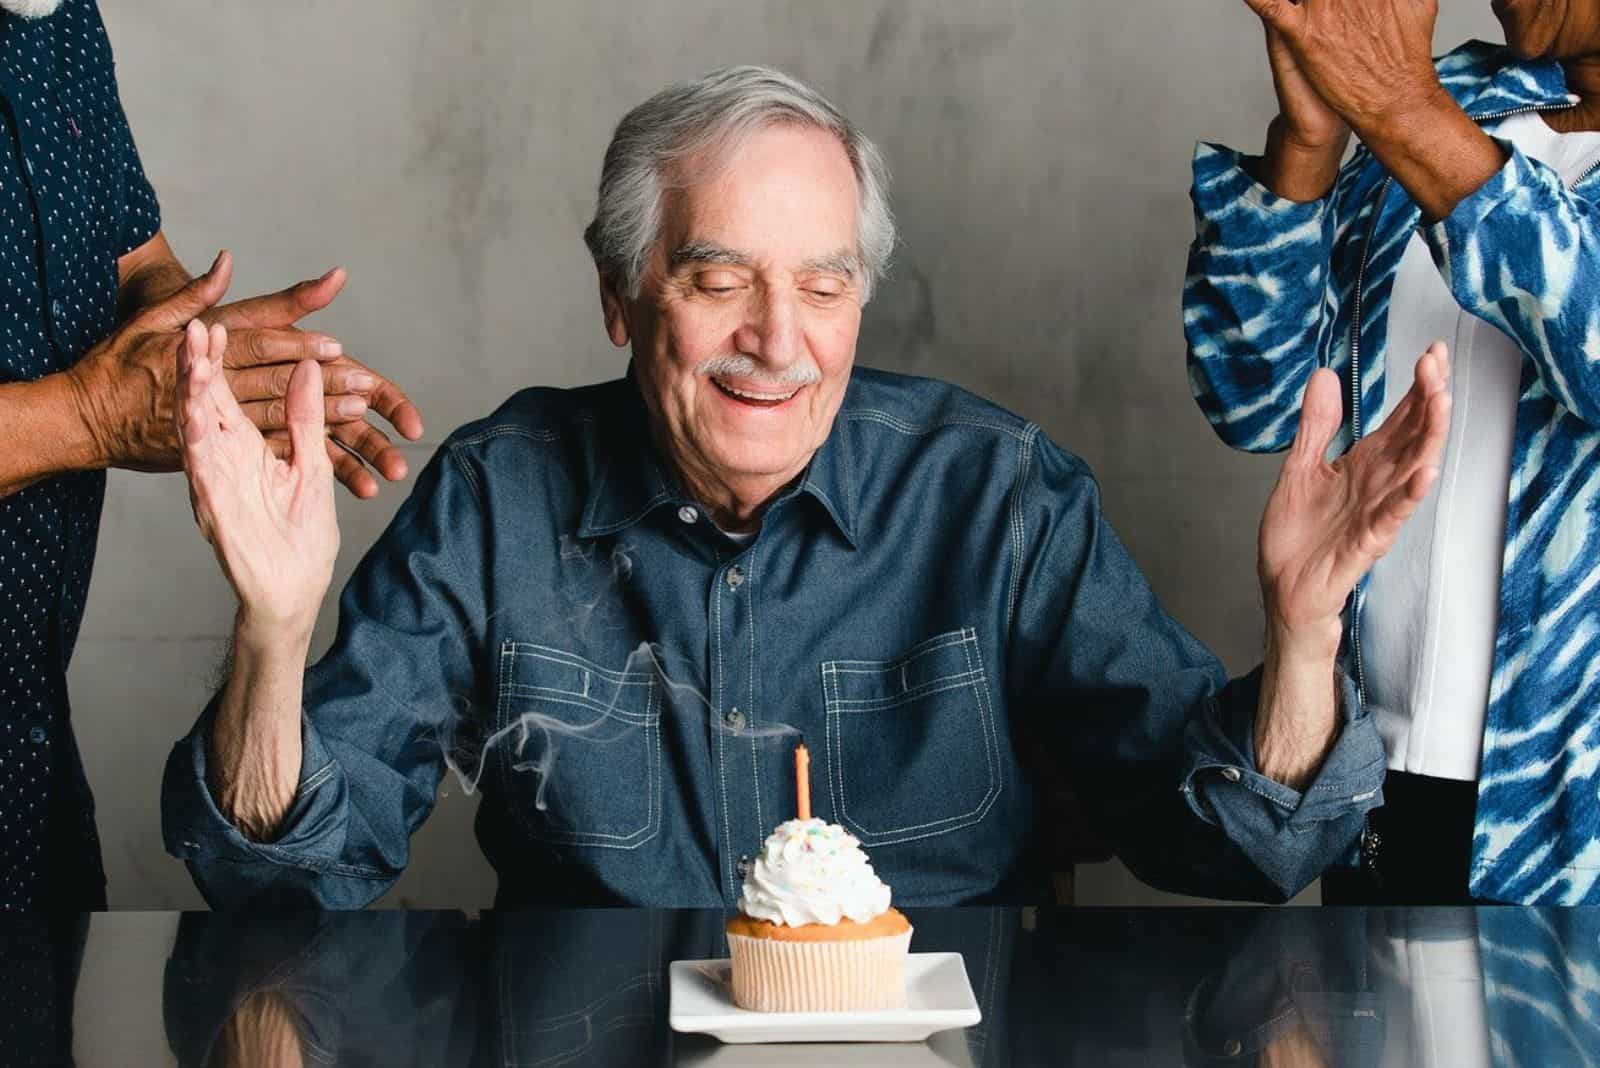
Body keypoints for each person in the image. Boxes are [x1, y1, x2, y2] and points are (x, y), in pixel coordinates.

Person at [162, 66, 1448, 910]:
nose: (778, 342)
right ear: (621, 301)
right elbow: (284, 879)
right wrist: (273, 635)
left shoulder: (996, 495)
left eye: (824, 287)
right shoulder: (499, 499)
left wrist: (1302, 638)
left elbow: (1241, 846)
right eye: (720, 281)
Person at [0, 0, 422, 911]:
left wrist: (208, 366)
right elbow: (98, 404)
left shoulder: (55, 19)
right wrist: (91, 416)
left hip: (27, 779)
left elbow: (129, 259)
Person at [1186, 0, 1600, 903]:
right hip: (1373, 805)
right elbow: (1253, 399)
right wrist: (1309, 145)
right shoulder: (1446, 104)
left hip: (1574, 845)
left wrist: (1403, 109)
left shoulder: (1418, 112)